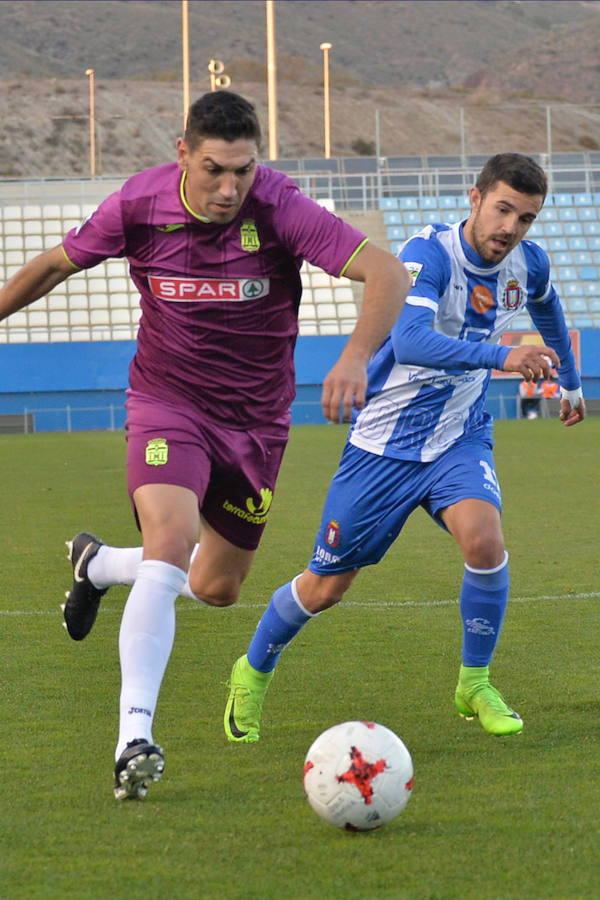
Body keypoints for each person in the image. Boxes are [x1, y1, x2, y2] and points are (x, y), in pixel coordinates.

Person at [0, 91, 410, 799]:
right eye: (215, 169)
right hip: (168, 403)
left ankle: (98, 567)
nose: (230, 189)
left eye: (244, 171)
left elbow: (387, 271)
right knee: (170, 541)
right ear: (183, 154)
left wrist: (354, 356)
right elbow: (55, 265)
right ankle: (135, 737)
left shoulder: (280, 207)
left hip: (256, 423)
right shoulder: (138, 204)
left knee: (215, 587)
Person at [223, 152, 586, 745]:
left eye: (526, 217)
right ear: (475, 199)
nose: (511, 228)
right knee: (326, 586)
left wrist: (570, 379)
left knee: (485, 542)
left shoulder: (529, 262)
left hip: (458, 437)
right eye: (503, 210)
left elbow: (545, 302)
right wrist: (504, 356)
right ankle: (253, 670)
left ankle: (474, 681)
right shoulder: (428, 255)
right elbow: (412, 340)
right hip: (382, 447)